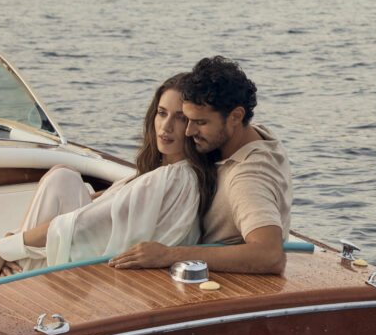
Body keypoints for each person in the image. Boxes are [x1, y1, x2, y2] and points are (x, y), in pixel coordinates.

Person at [0, 74, 216, 276]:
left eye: (180, 118)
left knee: (61, 185)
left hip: (102, 273)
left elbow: (80, 225)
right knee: (63, 177)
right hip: (107, 261)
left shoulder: (172, 179)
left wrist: (6, 246)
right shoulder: (167, 174)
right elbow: (113, 201)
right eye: (162, 113)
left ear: (194, 126)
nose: (166, 127)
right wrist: (14, 239)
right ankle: (11, 267)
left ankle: (7, 274)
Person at [109, 56, 291, 274]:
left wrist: (169, 255)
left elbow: (270, 256)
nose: (188, 131)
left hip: (217, 283)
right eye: (188, 119)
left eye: (201, 123)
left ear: (236, 116)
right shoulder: (249, 135)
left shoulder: (248, 178)